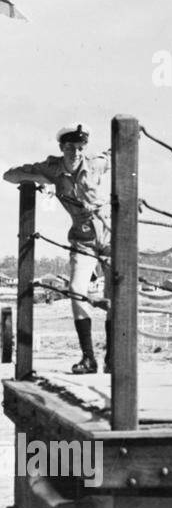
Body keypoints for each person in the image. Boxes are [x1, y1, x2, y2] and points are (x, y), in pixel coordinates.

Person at [4, 124, 112, 374]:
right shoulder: (52, 169)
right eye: (70, 147)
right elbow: (10, 176)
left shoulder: (95, 164)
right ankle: (88, 358)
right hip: (82, 238)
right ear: (61, 148)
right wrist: (39, 180)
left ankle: (112, 357)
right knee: (75, 289)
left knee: (114, 295)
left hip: (110, 235)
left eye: (79, 147)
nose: (75, 152)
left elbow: (113, 155)